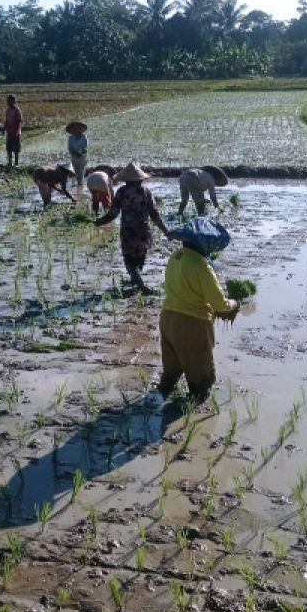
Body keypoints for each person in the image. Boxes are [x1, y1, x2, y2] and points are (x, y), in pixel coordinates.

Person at [158, 217, 239, 402]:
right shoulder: (202, 266)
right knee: (202, 378)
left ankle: (158, 402)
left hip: (168, 318)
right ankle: (191, 416)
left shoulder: (175, 257)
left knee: (171, 371)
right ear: (205, 244)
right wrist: (233, 304)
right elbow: (219, 303)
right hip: (192, 324)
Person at [94, 162, 168, 294]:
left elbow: (113, 213)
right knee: (140, 257)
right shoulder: (146, 192)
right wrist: (165, 230)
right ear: (140, 179)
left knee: (129, 260)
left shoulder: (122, 192)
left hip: (129, 231)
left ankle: (141, 286)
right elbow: (154, 214)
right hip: (143, 230)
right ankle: (136, 280)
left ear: (126, 180)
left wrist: (100, 221)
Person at [65, 121, 88, 188]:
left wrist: (80, 153)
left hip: (82, 157)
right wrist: (75, 153)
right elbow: (70, 148)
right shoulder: (71, 138)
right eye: (74, 129)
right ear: (72, 130)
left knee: (81, 172)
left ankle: (80, 186)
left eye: (77, 128)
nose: (76, 130)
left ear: (81, 129)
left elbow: (85, 147)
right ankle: (75, 186)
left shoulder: (84, 137)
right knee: (74, 172)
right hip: (74, 157)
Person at [4, 95, 23, 169]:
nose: (8, 103)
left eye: (9, 101)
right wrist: (4, 129)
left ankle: (16, 163)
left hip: (16, 132)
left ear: (13, 102)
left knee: (16, 148)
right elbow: (6, 120)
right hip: (9, 131)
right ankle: (10, 163)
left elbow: (19, 121)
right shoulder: (7, 110)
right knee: (9, 148)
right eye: (7, 101)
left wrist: (16, 131)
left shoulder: (17, 110)